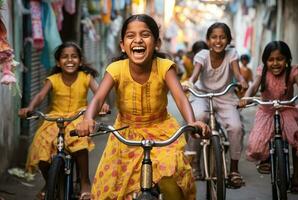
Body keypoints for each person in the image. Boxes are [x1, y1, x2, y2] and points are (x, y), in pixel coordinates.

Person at [75, 14, 210, 200]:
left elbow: (180, 97)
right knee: (109, 191)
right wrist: (88, 119)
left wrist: (192, 121)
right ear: (123, 45)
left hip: (162, 132)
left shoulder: (165, 67)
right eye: (131, 36)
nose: (138, 40)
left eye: (145, 34)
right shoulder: (116, 69)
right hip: (124, 135)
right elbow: (97, 99)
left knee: (171, 178)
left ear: (157, 43)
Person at [18, 42, 109, 200]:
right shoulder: (53, 79)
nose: (69, 60)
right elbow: (40, 96)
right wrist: (29, 107)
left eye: (74, 57)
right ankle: (49, 182)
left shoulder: (86, 77)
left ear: (80, 61)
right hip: (55, 118)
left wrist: (104, 105)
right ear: (58, 62)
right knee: (41, 146)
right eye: (65, 57)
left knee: (79, 142)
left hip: (78, 116)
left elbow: (99, 94)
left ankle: (85, 181)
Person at [185, 22, 248, 188]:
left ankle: (234, 170)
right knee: (198, 118)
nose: (218, 41)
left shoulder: (232, 54)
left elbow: (238, 74)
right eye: (214, 37)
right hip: (202, 95)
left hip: (225, 96)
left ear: (228, 40)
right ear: (208, 40)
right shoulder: (202, 55)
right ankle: (194, 163)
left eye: (222, 37)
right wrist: (189, 82)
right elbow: (195, 75)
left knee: (236, 128)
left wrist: (242, 81)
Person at [239, 41, 298, 193]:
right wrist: (246, 98)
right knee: (256, 143)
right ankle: (266, 158)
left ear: (287, 60)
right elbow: (254, 86)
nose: (275, 63)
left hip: (287, 110)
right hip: (266, 112)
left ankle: (297, 177)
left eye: (280, 59)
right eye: (271, 59)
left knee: (297, 137)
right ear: (265, 61)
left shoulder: (293, 71)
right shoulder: (262, 71)